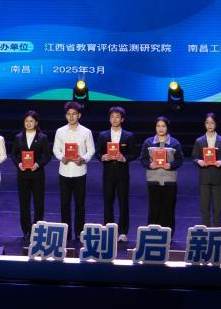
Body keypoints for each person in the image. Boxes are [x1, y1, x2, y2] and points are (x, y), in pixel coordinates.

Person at [52, 101, 95, 240]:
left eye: (74, 114)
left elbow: (91, 150)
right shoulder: (60, 131)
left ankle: (79, 232)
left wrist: (83, 159)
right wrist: (61, 157)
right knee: (64, 204)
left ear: (79, 115)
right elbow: (56, 149)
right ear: (66, 116)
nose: (71, 117)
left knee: (79, 204)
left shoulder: (86, 132)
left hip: (79, 172)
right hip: (64, 172)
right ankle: (66, 232)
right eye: (69, 114)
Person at [140, 116, 184, 237]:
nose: (161, 128)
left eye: (163, 126)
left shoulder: (175, 143)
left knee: (168, 209)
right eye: (158, 126)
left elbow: (180, 160)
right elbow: (143, 159)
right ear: (155, 127)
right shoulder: (148, 142)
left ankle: (168, 236)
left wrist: (171, 165)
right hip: (153, 179)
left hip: (169, 180)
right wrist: (150, 165)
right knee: (154, 209)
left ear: (167, 127)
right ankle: (152, 235)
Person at [97, 106, 135, 242]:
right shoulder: (103, 135)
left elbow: (133, 153)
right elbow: (98, 153)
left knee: (123, 203)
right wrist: (103, 157)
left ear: (122, 119)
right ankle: (109, 230)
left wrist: (124, 158)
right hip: (108, 174)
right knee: (108, 202)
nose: (114, 119)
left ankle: (123, 232)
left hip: (122, 174)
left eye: (117, 117)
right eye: (112, 117)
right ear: (109, 119)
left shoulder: (128, 135)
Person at [12, 110, 50, 238]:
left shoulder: (42, 137)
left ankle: (38, 229)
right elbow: (14, 154)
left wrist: (38, 164)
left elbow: (47, 155)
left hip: (37, 174)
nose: (28, 123)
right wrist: (19, 164)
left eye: (31, 121)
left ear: (36, 122)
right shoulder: (18, 137)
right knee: (24, 204)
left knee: (39, 203)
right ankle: (26, 230)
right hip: (23, 175)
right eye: (26, 121)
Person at [191, 112, 221, 228]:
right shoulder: (199, 141)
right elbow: (194, 157)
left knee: (217, 208)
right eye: (207, 123)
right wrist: (199, 161)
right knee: (204, 208)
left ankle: (217, 232)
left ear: (216, 124)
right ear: (204, 124)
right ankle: (206, 232)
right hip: (204, 178)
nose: (209, 125)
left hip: (217, 177)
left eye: (212, 123)